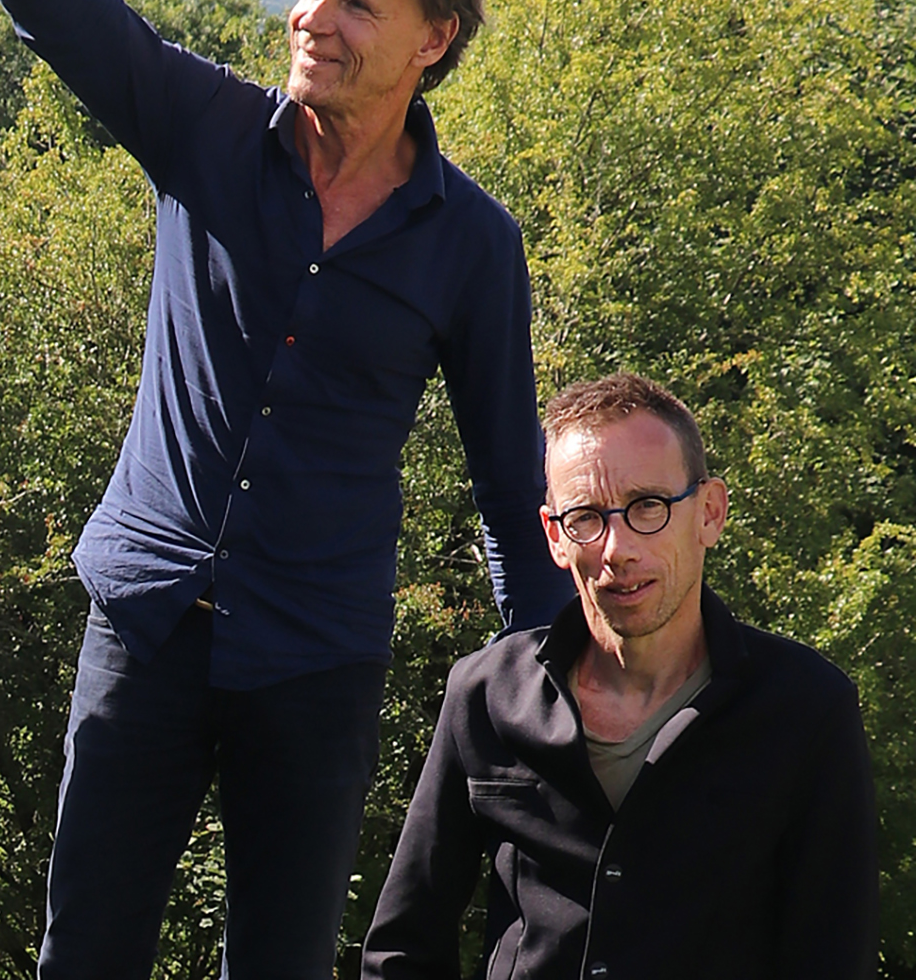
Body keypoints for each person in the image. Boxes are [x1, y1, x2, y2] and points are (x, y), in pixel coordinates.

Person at [0, 0, 574, 973]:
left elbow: (512, 492)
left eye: (356, 2)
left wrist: (566, 685)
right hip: (142, 627)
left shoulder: (472, 245)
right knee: (84, 953)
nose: (313, 17)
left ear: (434, 41)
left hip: (317, 661)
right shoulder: (211, 130)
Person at [362, 372, 878, 979]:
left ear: (710, 512)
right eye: (586, 518)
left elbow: (831, 956)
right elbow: (402, 949)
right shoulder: (486, 696)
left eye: (647, 508)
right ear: (555, 537)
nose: (617, 548)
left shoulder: (805, 709)